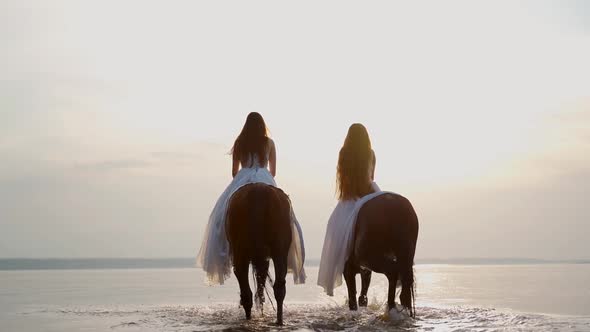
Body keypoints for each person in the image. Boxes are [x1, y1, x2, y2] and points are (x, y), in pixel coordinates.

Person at [197, 112, 305, 285]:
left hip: (242, 176)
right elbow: (273, 171)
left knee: (219, 217)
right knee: (288, 218)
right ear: (263, 126)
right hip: (265, 176)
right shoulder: (269, 143)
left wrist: (244, 174)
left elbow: (234, 172)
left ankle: (226, 250)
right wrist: (261, 174)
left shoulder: (239, 143)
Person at [317, 123, 388, 295]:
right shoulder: (371, 153)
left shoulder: (344, 153)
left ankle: (344, 258)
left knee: (334, 226)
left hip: (351, 195)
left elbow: (343, 177)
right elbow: (372, 177)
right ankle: (386, 256)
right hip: (370, 192)